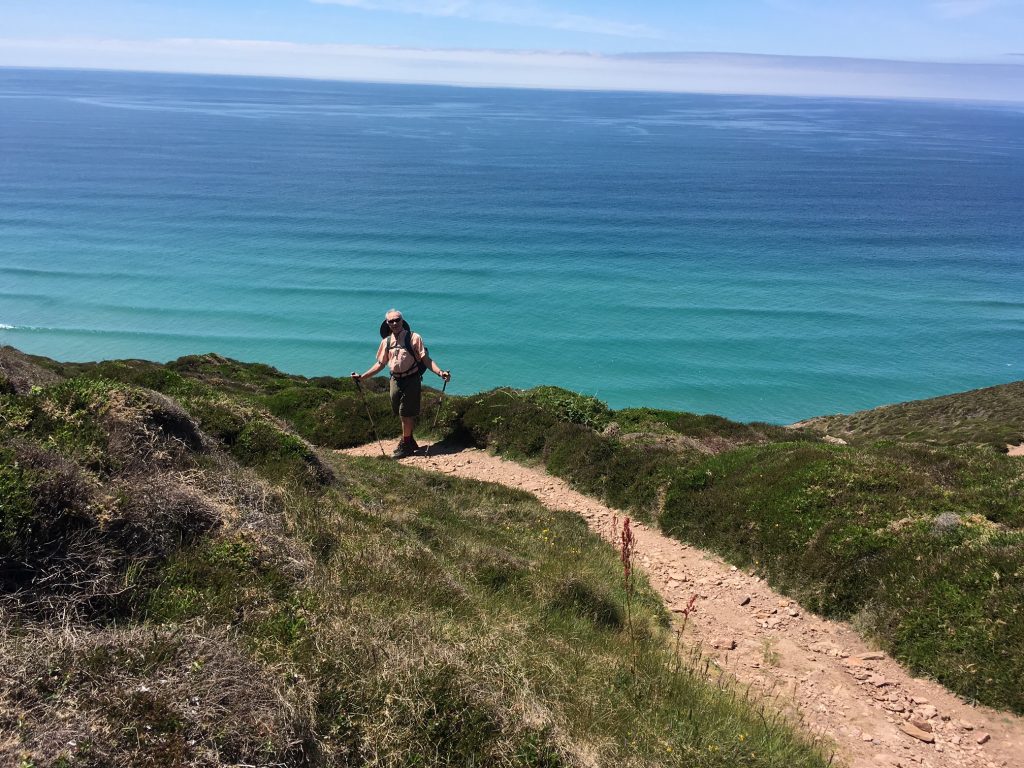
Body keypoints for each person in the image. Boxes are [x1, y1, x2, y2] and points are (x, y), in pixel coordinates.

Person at [352, 309, 451, 458]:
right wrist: (362, 377)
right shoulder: (386, 342)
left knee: (405, 413)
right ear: (387, 323)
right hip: (395, 380)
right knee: (399, 411)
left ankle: (405, 445)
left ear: (402, 321)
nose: (394, 323)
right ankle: (410, 440)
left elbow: (426, 360)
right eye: (391, 321)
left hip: (411, 379)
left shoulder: (414, 338)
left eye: (397, 320)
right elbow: (380, 364)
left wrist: (440, 372)